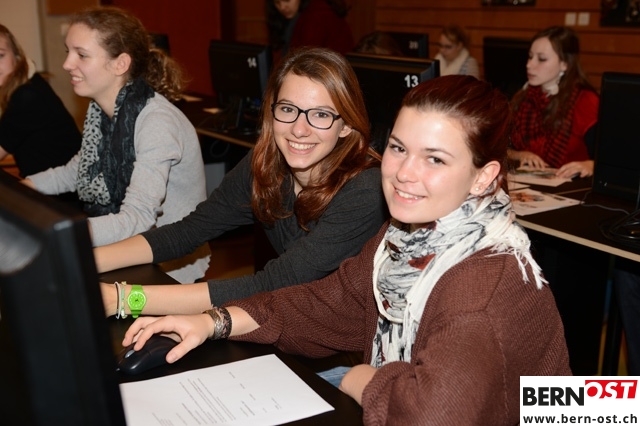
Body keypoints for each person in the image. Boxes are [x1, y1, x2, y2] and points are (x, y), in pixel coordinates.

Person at [122, 75, 571, 424]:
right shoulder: (404, 236)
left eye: (434, 158)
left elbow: (434, 416)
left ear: (483, 177)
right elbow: (331, 301)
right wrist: (213, 322)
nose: (404, 173)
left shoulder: (479, 287)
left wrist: (366, 380)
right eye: (398, 148)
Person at [94, 47, 386, 316]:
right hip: (290, 320)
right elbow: (190, 231)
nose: (299, 129)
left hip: (346, 345)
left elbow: (275, 284)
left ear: (347, 125)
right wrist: (86, 260)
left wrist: (124, 300)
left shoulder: (365, 190)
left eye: (320, 115)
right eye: (287, 109)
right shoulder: (266, 164)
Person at [20, 7, 209, 283]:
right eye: (68, 52)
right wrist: (20, 190)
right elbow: (75, 171)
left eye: (81, 55)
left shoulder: (156, 122)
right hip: (128, 252)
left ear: (120, 64)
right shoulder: (102, 112)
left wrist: (61, 232)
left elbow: (137, 218)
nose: (67, 64)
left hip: (169, 269)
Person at [509, 26, 599, 179]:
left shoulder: (585, 100)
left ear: (565, 64)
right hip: (530, 183)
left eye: (542, 59)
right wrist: (520, 155)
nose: (529, 65)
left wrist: (591, 165)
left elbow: (611, 157)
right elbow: (499, 148)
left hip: (574, 185)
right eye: (530, 57)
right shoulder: (523, 96)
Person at [0, 24, 82, 178]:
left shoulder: (27, 95)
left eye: (0, 55)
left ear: (17, 56)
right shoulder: (27, 82)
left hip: (65, 188)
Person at [266, 0, 354, 59]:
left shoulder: (317, 15)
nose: (282, 7)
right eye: (277, 2)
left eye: (287, 0)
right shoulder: (294, 18)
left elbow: (305, 62)